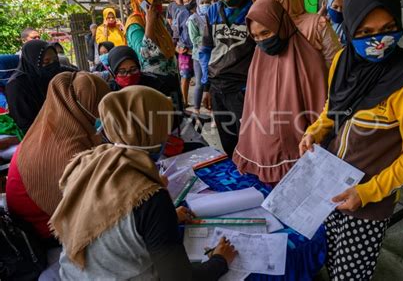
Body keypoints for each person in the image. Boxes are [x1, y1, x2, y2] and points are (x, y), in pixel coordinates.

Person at [298, 0, 403, 280]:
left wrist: (367, 192)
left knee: (351, 275)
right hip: (329, 183)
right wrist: (315, 132)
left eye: (387, 29)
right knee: (330, 258)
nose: (378, 41)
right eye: (365, 32)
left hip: (367, 203)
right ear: (349, 28)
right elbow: (332, 110)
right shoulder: (341, 61)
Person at [50, 86, 237, 280]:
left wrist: (166, 219)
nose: (168, 135)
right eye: (164, 126)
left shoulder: (88, 162)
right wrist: (219, 261)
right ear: (152, 130)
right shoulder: (151, 197)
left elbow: (113, 219)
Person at [233, 0, 327, 184]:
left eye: (266, 32)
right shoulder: (259, 58)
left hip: (297, 149)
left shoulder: (308, 58)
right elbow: (252, 104)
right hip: (261, 150)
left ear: (281, 24)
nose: (261, 40)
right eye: (256, 36)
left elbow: (320, 109)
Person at [6, 72, 110, 240]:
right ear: (82, 106)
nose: (104, 113)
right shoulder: (68, 152)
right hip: (41, 229)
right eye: (99, 105)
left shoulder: (48, 128)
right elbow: (92, 209)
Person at [200, 0, 255, 156]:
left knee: (250, 137)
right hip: (217, 87)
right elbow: (206, 49)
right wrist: (206, 86)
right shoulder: (213, 11)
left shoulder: (254, 9)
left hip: (242, 88)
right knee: (227, 138)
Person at [252, 0, 341, 67]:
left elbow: (335, 62)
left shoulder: (316, 25)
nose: (262, 11)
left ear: (282, 0)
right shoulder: (265, 32)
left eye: (266, 5)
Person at [125, 0, 183, 112]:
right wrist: (149, 22)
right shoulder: (135, 24)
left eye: (159, 0)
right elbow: (144, 53)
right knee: (162, 124)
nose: (158, 4)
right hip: (153, 85)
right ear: (142, 1)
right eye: (153, 0)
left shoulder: (159, 21)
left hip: (171, 80)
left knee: (177, 121)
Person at [6, 40, 75, 134]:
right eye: (46, 62)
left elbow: (79, 75)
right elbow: (25, 125)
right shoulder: (16, 86)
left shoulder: (57, 70)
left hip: (63, 124)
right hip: (37, 133)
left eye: (55, 60)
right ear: (32, 62)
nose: (52, 64)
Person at [188, 0, 212, 113]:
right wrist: (208, 39)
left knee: (212, 84)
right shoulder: (193, 19)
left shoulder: (213, 16)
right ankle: (196, 110)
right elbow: (194, 39)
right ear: (198, 4)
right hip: (199, 56)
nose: (205, 5)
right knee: (199, 83)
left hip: (213, 55)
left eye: (207, 2)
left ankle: (212, 110)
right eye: (202, 3)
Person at [176, 0, 198, 108]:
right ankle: (184, 101)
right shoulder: (181, 14)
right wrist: (178, 46)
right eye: (184, 2)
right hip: (185, 50)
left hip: (199, 49)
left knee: (200, 77)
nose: (187, 4)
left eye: (189, 1)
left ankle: (200, 101)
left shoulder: (200, 12)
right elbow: (177, 32)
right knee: (185, 76)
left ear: (195, 0)